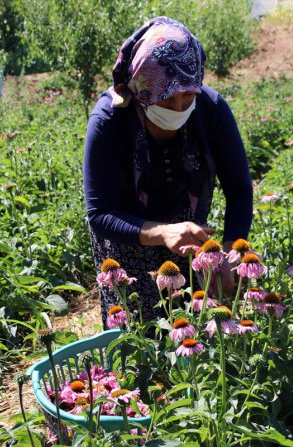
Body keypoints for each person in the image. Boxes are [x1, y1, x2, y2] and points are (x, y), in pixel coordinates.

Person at [83, 17, 253, 325]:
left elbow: (239, 188)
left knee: (198, 332)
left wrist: (231, 251)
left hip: (190, 241)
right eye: (166, 97)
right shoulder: (109, 121)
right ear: (140, 90)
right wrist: (162, 233)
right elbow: (100, 214)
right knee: (143, 341)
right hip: (130, 245)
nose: (178, 107)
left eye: (187, 95)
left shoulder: (211, 109)